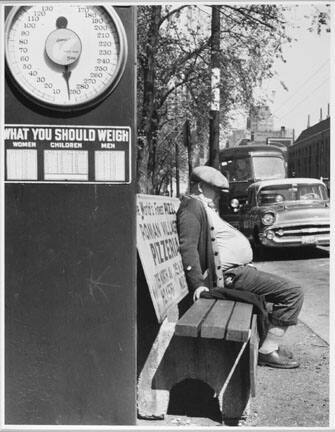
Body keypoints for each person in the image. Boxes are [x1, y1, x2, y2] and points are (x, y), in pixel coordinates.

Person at [177, 165, 304, 369]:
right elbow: (188, 247)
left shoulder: (202, 206)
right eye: (214, 190)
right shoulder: (192, 206)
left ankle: (268, 344)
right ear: (200, 187)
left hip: (240, 271)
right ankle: (267, 350)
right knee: (293, 292)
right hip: (231, 276)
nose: (218, 195)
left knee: (281, 295)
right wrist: (197, 284)